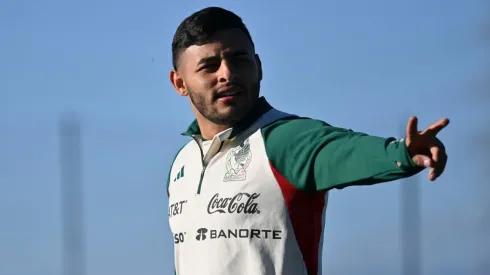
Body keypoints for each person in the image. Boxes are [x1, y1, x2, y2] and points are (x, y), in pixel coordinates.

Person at [166, 6, 449, 275]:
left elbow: (345, 150)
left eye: (239, 59)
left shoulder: (286, 139)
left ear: (258, 66)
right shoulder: (183, 163)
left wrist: (403, 152)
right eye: (210, 66)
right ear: (180, 83)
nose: (227, 73)